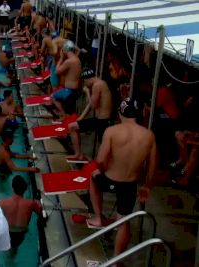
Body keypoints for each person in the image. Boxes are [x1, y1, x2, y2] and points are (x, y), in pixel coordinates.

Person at [87, 98, 157, 262]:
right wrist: (147, 186)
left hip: (110, 180)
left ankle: (98, 217)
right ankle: (116, 261)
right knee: (123, 222)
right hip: (130, 185)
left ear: (120, 113)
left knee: (93, 176)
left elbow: (102, 160)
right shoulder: (149, 135)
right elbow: (153, 165)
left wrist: (100, 170)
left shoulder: (112, 131)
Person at [66, 68, 112, 163]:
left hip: (104, 121)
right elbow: (90, 105)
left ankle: (104, 166)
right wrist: (81, 118)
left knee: (103, 146)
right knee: (73, 127)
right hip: (98, 119)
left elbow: (93, 105)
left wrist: (87, 92)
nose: (84, 84)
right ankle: (78, 154)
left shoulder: (97, 85)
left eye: (84, 81)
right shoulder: (99, 83)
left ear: (87, 79)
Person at [0, 175, 42, 250]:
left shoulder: (3, 202)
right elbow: (41, 214)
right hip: (20, 233)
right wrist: (39, 204)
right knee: (15, 247)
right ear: (25, 189)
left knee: (8, 247)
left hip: (7, 232)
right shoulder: (31, 203)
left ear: (12, 188)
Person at [52, 40, 82, 120]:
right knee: (71, 113)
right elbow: (78, 49)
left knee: (53, 97)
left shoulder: (69, 62)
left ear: (65, 50)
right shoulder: (77, 59)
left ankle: (63, 115)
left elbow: (56, 71)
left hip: (69, 91)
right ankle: (64, 116)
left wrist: (61, 58)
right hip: (75, 90)